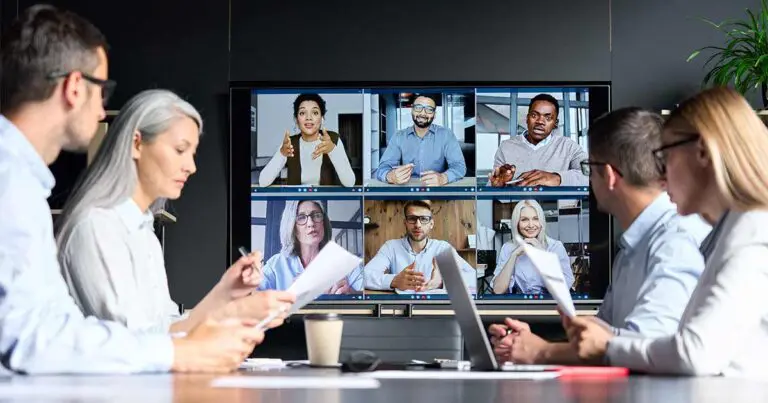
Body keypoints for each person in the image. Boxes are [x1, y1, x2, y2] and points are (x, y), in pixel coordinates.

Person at [0, 5, 286, 374]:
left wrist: (222, 301)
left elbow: (61, 326)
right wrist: (185, 348)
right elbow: (34, 338)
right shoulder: (17, 185)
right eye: (102, 91)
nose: (103, 111)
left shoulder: (24, 183)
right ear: (74, 87)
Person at [55, 89, 295, 334]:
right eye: (180, 150)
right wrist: (231, 311)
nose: (191, 167)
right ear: (136, 144)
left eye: (192, 154)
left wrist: (227, 294)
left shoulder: (144, 233)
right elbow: (136, 343)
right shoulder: (96, 226)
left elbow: (169, 326)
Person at [566, 87, 768, 377]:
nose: (660, 172)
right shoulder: (733, 230)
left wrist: (609, 346)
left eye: (666, 155)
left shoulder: (753, 232)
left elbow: (695, 353)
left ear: (702, 152)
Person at [488, 107, 709, 365]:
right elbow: (605, 338)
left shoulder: (675, 241)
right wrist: (527, 344)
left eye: (589, 167)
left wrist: (541, 352)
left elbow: (649, 348)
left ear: (609, 175)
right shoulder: (633, 247)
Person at [364, 200, 476, 292]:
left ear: (431, 224)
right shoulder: (391, 247)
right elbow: (364, 276)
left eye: (424, 219)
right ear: (405, 223)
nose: (417, 225)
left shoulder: (442, 248)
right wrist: (394, 281)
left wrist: (442, 282)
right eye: (412, 219)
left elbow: (472, 277)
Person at [258, 200, 363, 294]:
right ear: (292, 227)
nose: (311, 223)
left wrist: (351, 293)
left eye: (316, 215)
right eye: (301, 217)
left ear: (324, 223)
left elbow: (367, 296)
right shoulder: (276, 265)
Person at [488, 94, 588, 187]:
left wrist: (557, 178)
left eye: (548, 118)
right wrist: (499, 185)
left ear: (555, 123)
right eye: (534, 115)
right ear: (527, 119)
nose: (540, 121)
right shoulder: (506, 147)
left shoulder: (569, 146)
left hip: (554, 206)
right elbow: (493, 183)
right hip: (517, 206)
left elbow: (592, 174)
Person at [258, 93, 356, 187]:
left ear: (322, 118)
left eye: (315, 112)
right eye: (302, 113)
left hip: (326, 203)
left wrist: (332, 150)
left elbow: (350, 182)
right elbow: (263, 182)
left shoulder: (333, 139)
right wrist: (282, 154)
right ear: (296, 120)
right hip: (296, 203)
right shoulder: (289, 143)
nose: (309, 118)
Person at [375, 95, 466, 186]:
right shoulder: (398, 136)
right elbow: (382, 168)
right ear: (412, 110)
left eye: (429, 109)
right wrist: (391, 176)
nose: (423, 113)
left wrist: (443, 178)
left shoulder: (447, 135)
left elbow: (459, 166)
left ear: (434, 115)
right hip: (407, 191)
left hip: (436, 190)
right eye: (418, 107)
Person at [491, 199, 574, 295]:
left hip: (551, 305)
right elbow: (498, 290)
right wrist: (514, 255)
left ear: (541, 221)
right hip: (522, 304)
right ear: (516, 223)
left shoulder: (556, 247)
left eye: (535, 218)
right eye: (524, 219)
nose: (531, 225)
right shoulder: (508, 248)